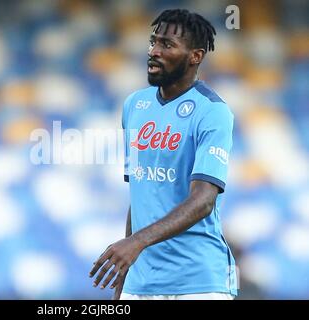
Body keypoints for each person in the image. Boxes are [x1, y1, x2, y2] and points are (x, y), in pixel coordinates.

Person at [89, 9, 238, 300]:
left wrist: (136, 242)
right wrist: (123, 283)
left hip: (198, 283)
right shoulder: (134, 105)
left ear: (195, 56)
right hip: (141, 284)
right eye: (153, 42)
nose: (154, 51)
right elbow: (140, 194)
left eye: (167, 45)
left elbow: (204, 200)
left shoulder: (213, 112)